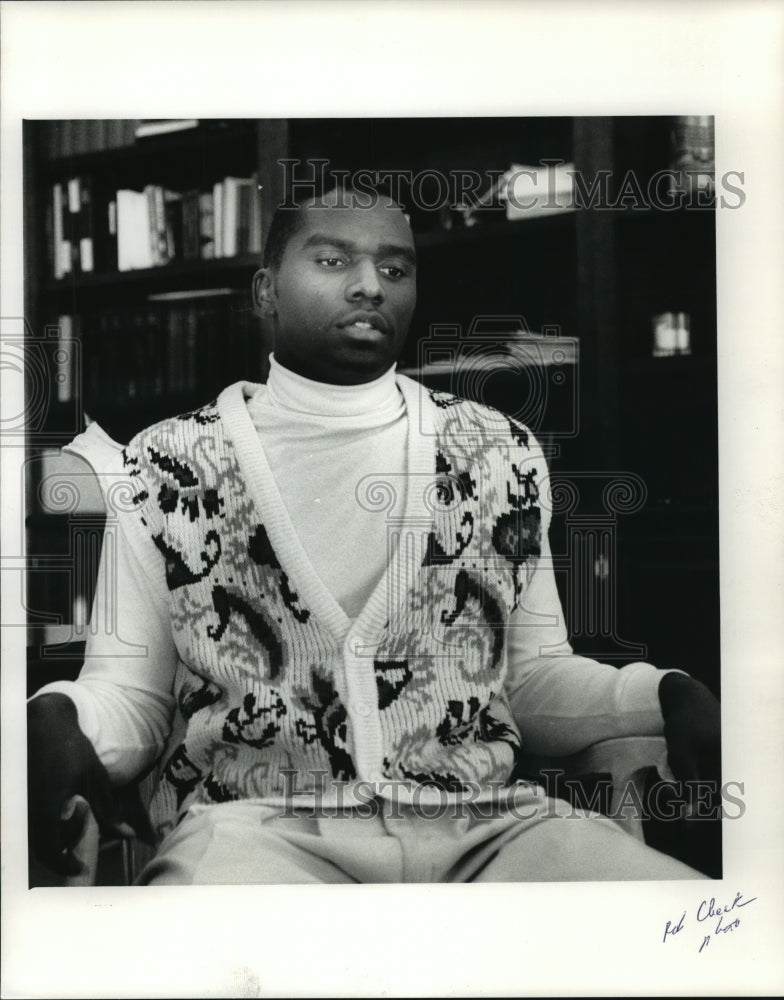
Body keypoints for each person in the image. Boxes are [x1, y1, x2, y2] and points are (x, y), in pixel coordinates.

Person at [27, 184, 721, 884]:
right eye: (333, 261)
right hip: (258, 833)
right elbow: (132, 696)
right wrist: (58, 715)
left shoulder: (499, 450)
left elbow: (531, 675)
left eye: (395, 270)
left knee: (687, 934)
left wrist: (660, 690)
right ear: (266, 290)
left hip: (487, 825)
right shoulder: (165, 462)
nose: (369, 286)